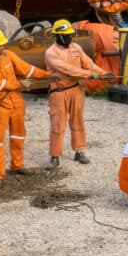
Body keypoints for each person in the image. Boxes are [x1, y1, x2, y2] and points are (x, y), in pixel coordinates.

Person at [0, 27, 51, 188]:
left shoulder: (8, 55)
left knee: (18, 135)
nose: (1, 47)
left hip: (16, 102)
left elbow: (26, 69)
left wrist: (47, 75)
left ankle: (17, 165)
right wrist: (21, 84)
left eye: (2, 44)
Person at [44, 18, 110, 167]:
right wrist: (89, 74)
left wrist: (102, 73)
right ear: (57, 36)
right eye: (66, 35)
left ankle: (79, 151)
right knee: (58, 124)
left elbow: (88, 63)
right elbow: (69, 70)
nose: (69, 38)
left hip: (76, 89)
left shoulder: (76, 48)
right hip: (59, 92)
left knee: (77, 121)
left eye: (70, 35)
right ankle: (55, 155)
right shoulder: (51, 53)